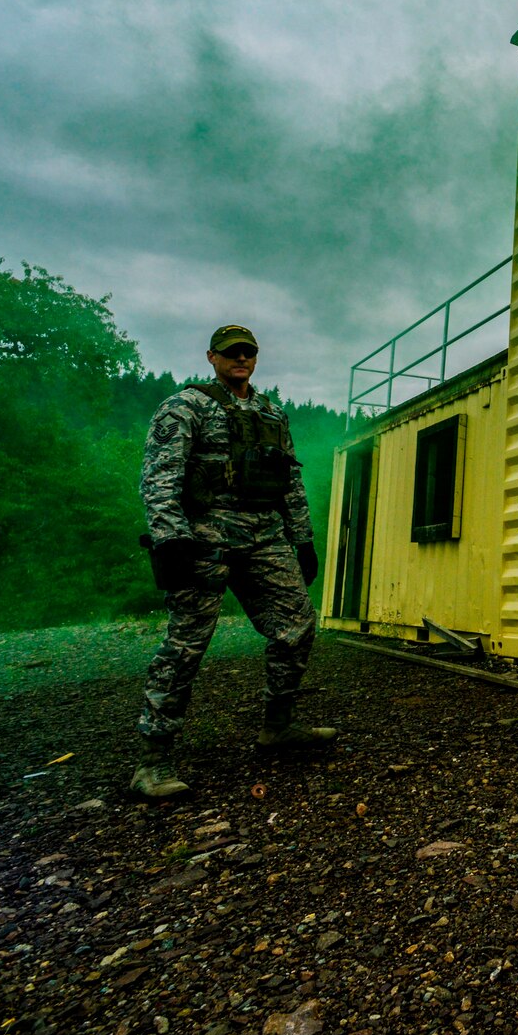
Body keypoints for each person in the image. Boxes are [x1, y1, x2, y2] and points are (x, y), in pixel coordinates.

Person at [131, 324, 337, 800]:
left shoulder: (271, 413)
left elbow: (289, 480)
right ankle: (152, 763)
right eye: (230, 353)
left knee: (298, 625)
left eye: (248, 352)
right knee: (186, 646)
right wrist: (170, 538)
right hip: (203, 541)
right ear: (212, 356)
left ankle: (277, 728)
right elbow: (160, 476)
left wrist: (302, 539)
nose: (240, 359)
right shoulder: (185, 406)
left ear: (256, 357)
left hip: (264, 539)